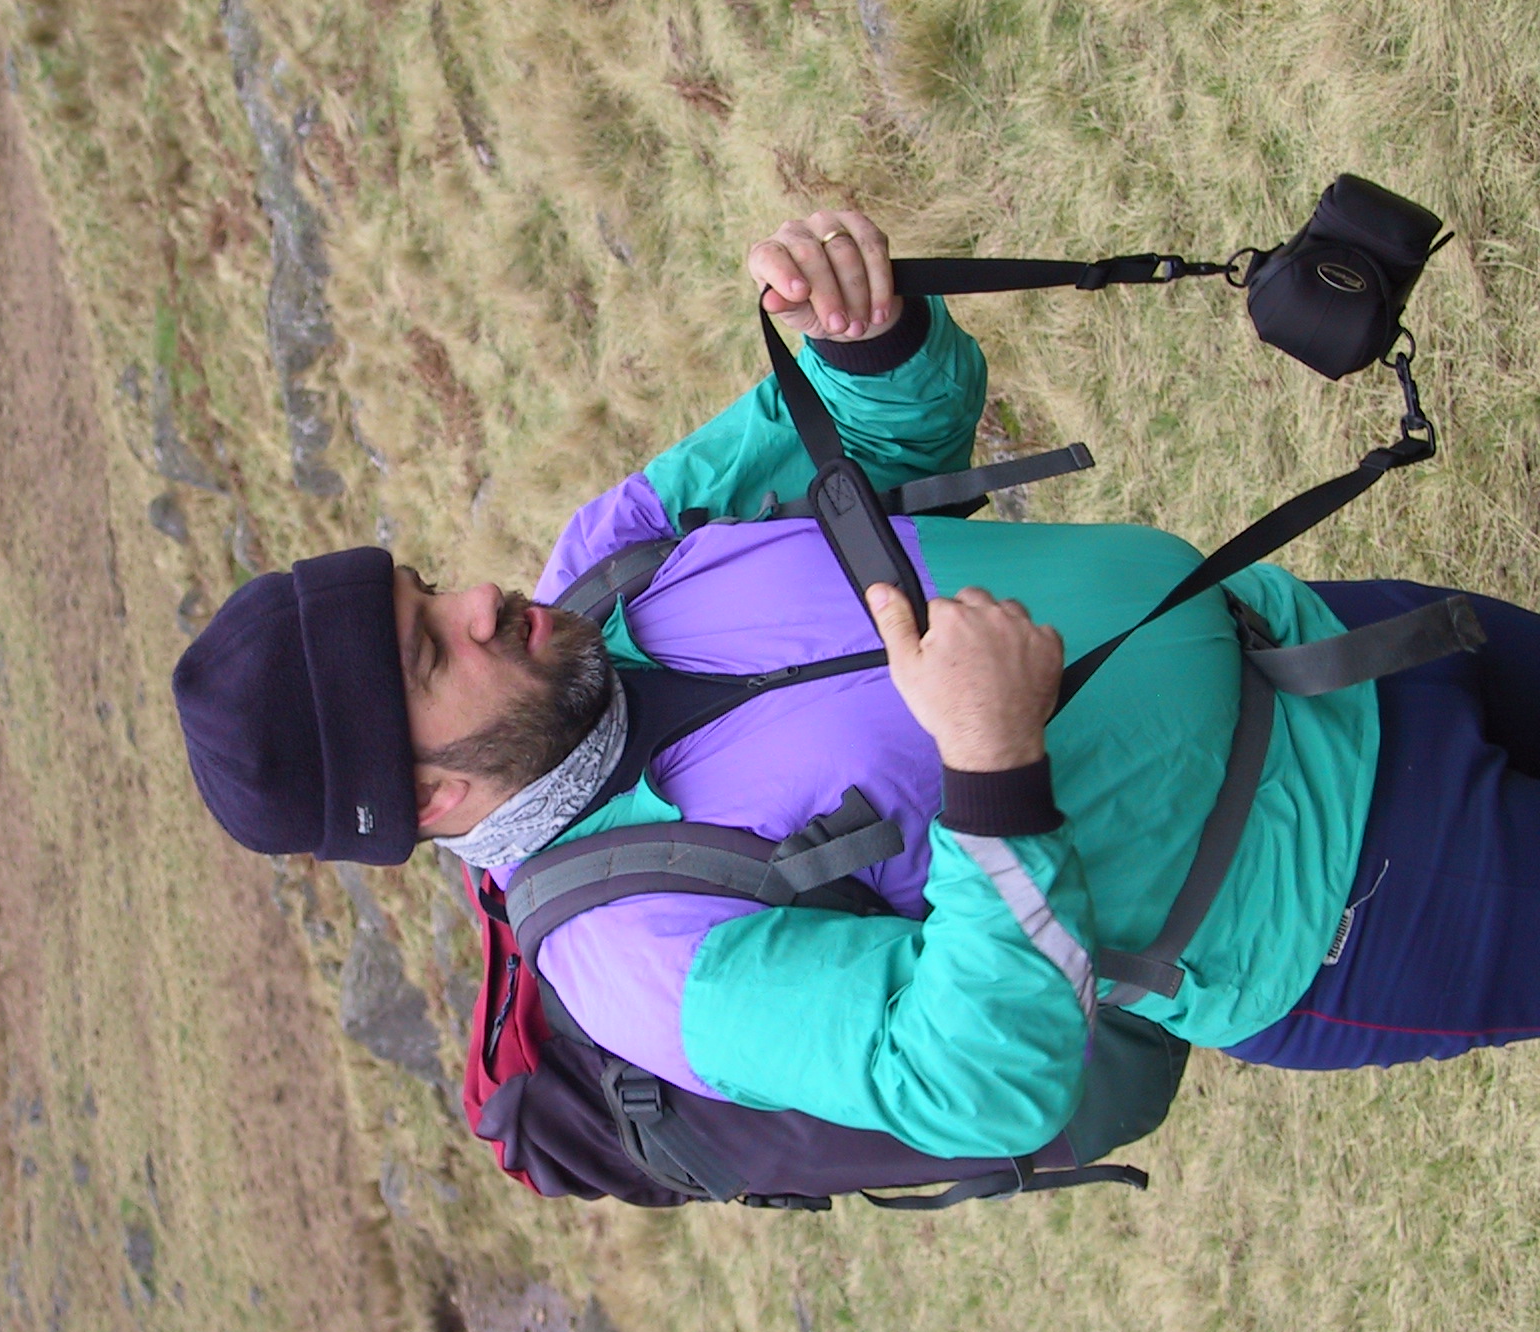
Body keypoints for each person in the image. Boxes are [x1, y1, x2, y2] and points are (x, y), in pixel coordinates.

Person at [172, 209, 1540, 1160]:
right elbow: (967, 1081)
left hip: (1340, 641)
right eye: (432, 653)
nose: (478, 602)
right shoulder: (636, 956)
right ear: (426, 797)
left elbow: (875, 440)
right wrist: (991, 770)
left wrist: (866, 336)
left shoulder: (612, 563)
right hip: (1348, 903)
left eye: (425, 592)